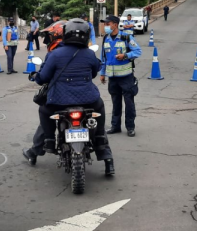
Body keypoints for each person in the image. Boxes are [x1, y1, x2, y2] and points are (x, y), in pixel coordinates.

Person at [24, 19, 114, 175]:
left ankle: (50, 141)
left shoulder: (55, 54)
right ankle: (103, 149)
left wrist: (36, 77)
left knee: (44, 111)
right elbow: (94, 73)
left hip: (59, 102)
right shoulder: (89, 54)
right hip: (88, 100)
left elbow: (42, 78)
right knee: (99, 110)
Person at [100, 15, 142, 137]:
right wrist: (103, 73)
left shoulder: (126, 37)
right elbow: (104, 58)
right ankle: (115, 126)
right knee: (115, 102)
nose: (105, 26)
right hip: (112, 77)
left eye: (108, 24)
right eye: (105, 24)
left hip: (126, 76)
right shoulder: (106, 39)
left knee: (129, 102)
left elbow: (138, 51)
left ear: (115, 24)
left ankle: (130, 127)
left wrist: (125, 56)